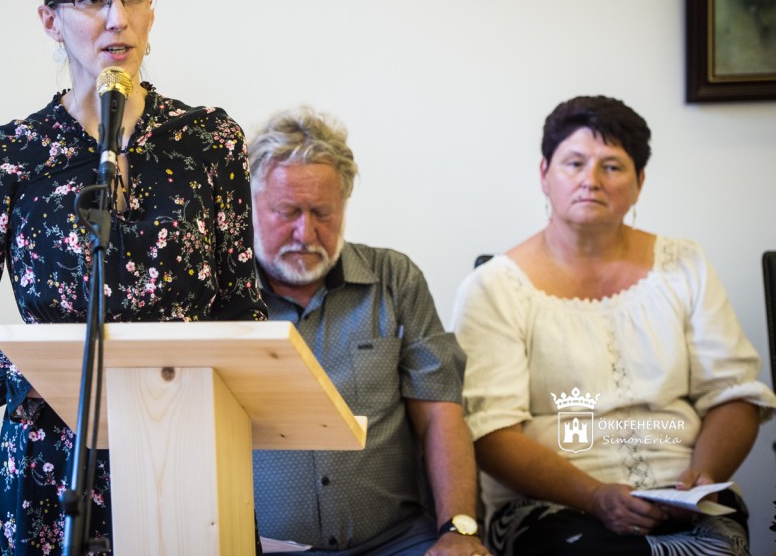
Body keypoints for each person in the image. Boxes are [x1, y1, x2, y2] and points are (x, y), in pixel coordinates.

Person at [0, 0, 267, 556]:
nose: (118, 18)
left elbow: (243, 309)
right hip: (54, 459)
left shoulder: (209, 142)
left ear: (151, 11)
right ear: (51, 20)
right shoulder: (1, 160)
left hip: (185, 447)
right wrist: (36, 380)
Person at [450, 95, 776, 556]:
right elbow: (490, 432)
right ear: (544, 174)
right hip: (550, 504)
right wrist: (595, 496)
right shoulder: (494, 288)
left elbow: (733, 394)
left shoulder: (685, 265)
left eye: (612, 167)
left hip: (683, 499)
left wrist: (701, 478)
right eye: (574, 163)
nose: (591, 180)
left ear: (639, 183)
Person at [247, 107, 489, 556]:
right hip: (261, 547)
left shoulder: (394, 279)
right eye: (287, 211)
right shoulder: (219, 296)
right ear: (249, 206)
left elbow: (440, 412)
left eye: (322, 213)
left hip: (395, 540)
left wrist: (458, 529)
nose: (305, 232)